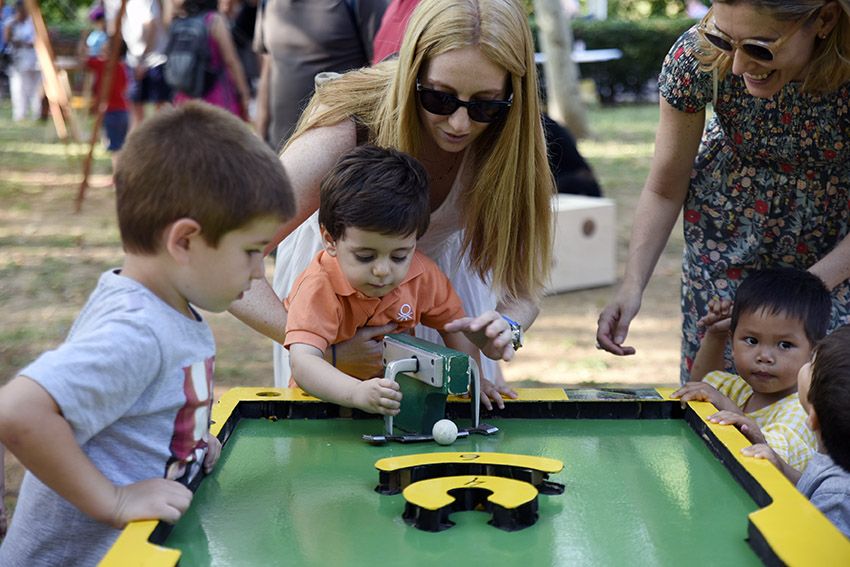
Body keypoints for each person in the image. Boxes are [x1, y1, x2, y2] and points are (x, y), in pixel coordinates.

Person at [0, 102, 295, 565]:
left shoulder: (159, 306)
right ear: (184, 241)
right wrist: (113, 500)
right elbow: (19, 411)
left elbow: (137, 412)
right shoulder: (139, 330)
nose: (260, 273)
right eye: (252, 251)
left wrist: (189, 447)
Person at [231, 0, 554, 409]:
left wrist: (509, 326)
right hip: (336, 303)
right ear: (412, 74)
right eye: (440, 99)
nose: (459, 123)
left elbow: (525, 285)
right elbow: (228, 255)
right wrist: (321, 347)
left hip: (441, 302)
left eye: (485, 105)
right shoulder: (348, 127)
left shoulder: (514, 145)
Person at [596, 0, 850, 382]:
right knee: (717, 392)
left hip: (835, 246)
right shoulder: (698, 56)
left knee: (824, 396)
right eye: (724, 39)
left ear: (825, 19)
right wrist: (632, 286)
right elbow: (666, 187)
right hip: (727, 236)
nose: (737, 66)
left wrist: (803, 290)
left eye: (759, 47)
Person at [286, 145, 514, 414]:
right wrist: (356, 393)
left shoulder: (423, 275)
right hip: (320, 414)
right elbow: (303, 363)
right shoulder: (317, 287)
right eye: (365, 256)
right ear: (330, 240)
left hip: (398, 409)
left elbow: (455, 328)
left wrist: (475, 380)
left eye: (399, 256)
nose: (383, 270)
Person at [672, 268, 829, 472]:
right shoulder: (740, 388)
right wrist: (715, 336)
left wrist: (726, 405)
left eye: (785, 345)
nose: (764, 356)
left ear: (814, 351)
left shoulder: (802, 412)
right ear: (732, 341)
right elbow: (700, 384)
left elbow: (765, 463)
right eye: (752, 340)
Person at [742, 324, 850, 537]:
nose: (806, 364)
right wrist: (780, 466)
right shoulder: (834, 461)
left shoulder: (837, 497)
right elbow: (813, 485)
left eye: (811, 363)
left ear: (813, 418)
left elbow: (816, 551)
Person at [252, 0, 388, 148]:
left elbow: (383, 69)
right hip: (279, 146)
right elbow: (268, 64)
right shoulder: (267, 3)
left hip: (339, 153)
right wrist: (260, 135)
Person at [170, 0, 251, 119]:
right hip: (215, 95)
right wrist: (244, 93)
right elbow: (231, 61)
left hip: (184, 96)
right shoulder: (214, 20)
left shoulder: (179, 19)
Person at [103, 0, 172, 128]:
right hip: (135, 60)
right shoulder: (125, 5)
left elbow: (150, 27)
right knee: (136, 106)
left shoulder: (143, 2)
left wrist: (143, 59)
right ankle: (137, 142)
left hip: (153, 60)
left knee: (161, 108)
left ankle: (160, 142)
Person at [84, 38, 129, 175]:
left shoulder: (104, 65)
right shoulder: (122, 66)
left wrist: (83, 43)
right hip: (122, 111)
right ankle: (119, 173)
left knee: (116, 148)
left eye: (105, 46)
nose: (102, 48)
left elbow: (85, 61)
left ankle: (118, 175)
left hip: (111, 111)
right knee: (119, 145)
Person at [3, 0, 41, 122]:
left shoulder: (34, 22)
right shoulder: (11, 23)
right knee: (19, 87)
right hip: (18, 59)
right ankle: (20, 114)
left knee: (36, 87)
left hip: (35, 58)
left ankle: (37, 113)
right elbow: (7, 39)